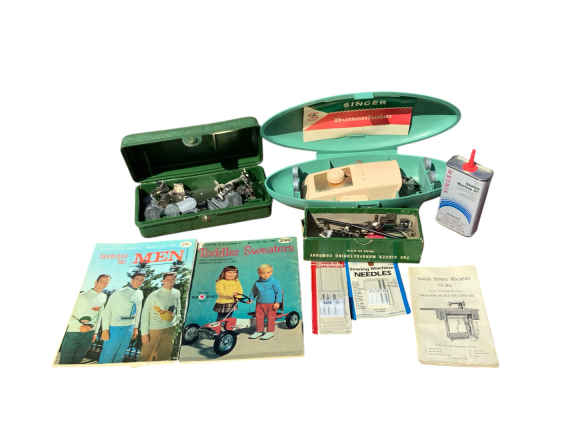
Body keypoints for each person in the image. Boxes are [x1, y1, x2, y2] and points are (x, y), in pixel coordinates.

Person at [59, 274, 109, 364]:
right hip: (73, 332)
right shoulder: (81, 296)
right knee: (65, 362)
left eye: (106, 283)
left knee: (77, 361)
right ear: (96, 282)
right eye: (102, 282)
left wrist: (95, 332)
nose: (104, 284)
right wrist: (79, 326)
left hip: (89, 334)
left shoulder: (103, 297)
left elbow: (100, 315)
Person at [98, 273, 144, 363]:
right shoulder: (119, 292)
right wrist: (105, 330)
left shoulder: (140, 293)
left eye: (142, 280)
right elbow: (107, 311)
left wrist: (136, 328)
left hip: (129, 328)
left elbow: (138, 311)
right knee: (108, 354)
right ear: (132, 280)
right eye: (137, 279)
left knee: (120, 355)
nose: (139, 282)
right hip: (115, 328)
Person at [140, 272, 181, 362]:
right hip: (154, 331)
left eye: (173, 279)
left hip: (169, 330)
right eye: (168, 279)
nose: (170, 281)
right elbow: (145, 314)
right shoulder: (154, 295)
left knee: (164, 358)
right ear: (163, 281)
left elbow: (178, 309)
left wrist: (175, 321)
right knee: (146, 357)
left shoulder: (177, 293)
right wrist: (144, 333)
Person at [249, 264, 281, 340]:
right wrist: (251, 298)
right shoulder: (257, 282)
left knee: (271, 317)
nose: (266, 275)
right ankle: (259, 331)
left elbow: (278, 292)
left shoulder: (273, 282)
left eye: (268, 272)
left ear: (271, 272)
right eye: (263, 273)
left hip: (271, 304)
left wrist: (277, 302)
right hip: (259, 303)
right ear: (259, 273)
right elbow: (253, 291)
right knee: (259, 317)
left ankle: (270, 332)